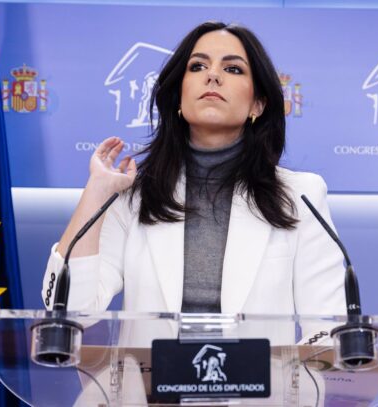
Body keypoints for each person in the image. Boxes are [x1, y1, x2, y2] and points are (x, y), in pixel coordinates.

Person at [42, 21, 346, 326]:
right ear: (178, 96)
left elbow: (329, 326)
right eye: (198, 66)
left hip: (262, 361)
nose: (212, 75)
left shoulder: (300, 196)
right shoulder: (135, 195)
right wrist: (97, 191)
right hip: (152, 361)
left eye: (233, 69)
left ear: (257, 104)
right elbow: (69, 311)